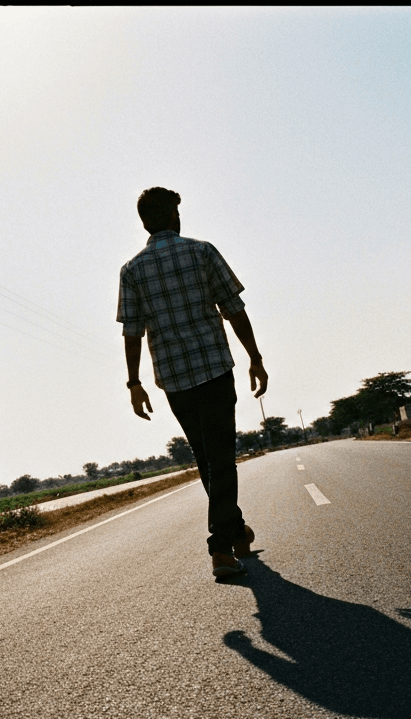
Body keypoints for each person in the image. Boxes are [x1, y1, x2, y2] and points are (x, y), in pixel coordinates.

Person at [117, 187, 268, 580]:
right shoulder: (202, 252)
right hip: (214, 368)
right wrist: (255, 357)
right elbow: (234, 309)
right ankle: (219, 548)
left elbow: (132, 333)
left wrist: (134, 382)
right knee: (220, 459)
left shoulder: (131, 270)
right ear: (173, 217)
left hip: (174, 379)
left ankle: (236, 533)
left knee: (207, 457)